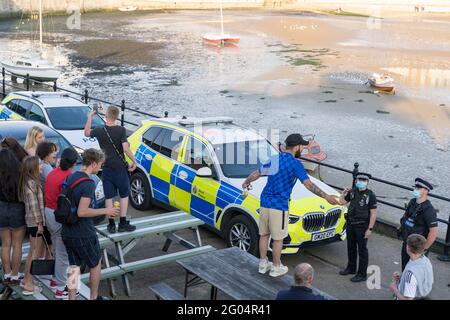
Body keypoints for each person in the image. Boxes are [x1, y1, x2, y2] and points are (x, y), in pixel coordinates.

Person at [242, 133, 339, 277]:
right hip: (279, 205)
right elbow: (308, 184)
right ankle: (276, 266)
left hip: (264, 202)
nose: (301, 149)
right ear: (297, 147)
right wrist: (326, 196)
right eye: (301, 146)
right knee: (278, 238)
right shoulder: (295, 164)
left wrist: (247, 181)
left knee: (263, 234)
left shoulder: (274, 159)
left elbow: (257, 173)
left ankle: (263, 263)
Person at [61, 148, 119, 300]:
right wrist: (106, 210)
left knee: (73, 267)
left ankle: (71, 298)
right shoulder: (88, 184)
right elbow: (82, 212)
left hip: (67, 231)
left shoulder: (71, 177)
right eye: (100, 164)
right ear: (93, 164)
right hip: (83, 232)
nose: (101, 167)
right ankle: (93, 297)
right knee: (95, 263)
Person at [84, 105, 137, 233]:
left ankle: (111, 224)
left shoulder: (99, 130)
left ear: (106, 116)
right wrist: (134, 161)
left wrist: (90, 117)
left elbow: (86, 133)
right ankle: (123, 223)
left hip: (106, 168)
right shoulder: (121, 130)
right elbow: (125, 148)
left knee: (109, 197)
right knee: (124, 195)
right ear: (117, 117)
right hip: (120, 168)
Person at [44, 148, 78, 299]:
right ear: (74, 163)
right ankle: (60, 288)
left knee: (57, 249)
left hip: (48, 212)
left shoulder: (52, 172)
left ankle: (55, 280)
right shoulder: (69, 176)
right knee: (65, 254)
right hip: (58, 215)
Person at [338, 172, 377, 282]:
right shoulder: (353, 192)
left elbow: (373, 213)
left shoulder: (371, 195)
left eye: (364, 180)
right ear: (356, 181)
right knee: (351, 247)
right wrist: (343, 193)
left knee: (362, 250)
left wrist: (370, 229)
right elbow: (341, 202)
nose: (361, 182)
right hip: (351, 224)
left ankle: (362, 274)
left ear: (367, 182)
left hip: (362, 226)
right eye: (359, 180)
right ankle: (351, 268)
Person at [18, 156, 45, 295]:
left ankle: (26, 279)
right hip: (35, 223)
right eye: (40, 164)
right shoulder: (32, 185)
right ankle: (28, 282)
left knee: (32, 252)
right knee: (34, 253)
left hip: (33, 222)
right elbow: (35, 208)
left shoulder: (30, 182)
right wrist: (40, 224)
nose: (42, 166)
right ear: (33, 167)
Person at [398, 178, 438, 270]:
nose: (415, 190)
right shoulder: (412, 202)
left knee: (415, 272)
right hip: (407, 242)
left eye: (418, 188)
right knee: (405, 268)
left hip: (417, 247)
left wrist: (424, 249)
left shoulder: (428, 210)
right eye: (415, 187)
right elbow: (406, 217)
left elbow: (434, 231)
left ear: (426, 191)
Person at [0, 149, 26, 285]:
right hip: (17, 209)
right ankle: (15, 275)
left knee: (5, 245)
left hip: (2, 208)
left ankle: (7, 273)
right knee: (17, 245)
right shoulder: (20, 173)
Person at [390, 234, 433, 300]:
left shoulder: (410, 273)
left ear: (408, 248)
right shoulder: (426, 261)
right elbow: (419, 278)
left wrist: (394, 289)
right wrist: (403, 277)